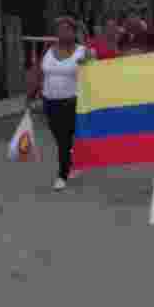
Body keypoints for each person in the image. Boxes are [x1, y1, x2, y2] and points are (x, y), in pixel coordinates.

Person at [27, 16, 90, 190]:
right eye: (59, 30)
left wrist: (89, 61)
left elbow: (94, 71)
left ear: (73, 32)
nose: (62, 33)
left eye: (66, 29)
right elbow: (40, 72)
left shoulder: (82, 51)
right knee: (59, 136)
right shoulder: (48, 50)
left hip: (72, 101)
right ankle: (71, 160)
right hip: (49, 101)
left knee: (64, 139)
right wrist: (32, 93)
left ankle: (62, 175)